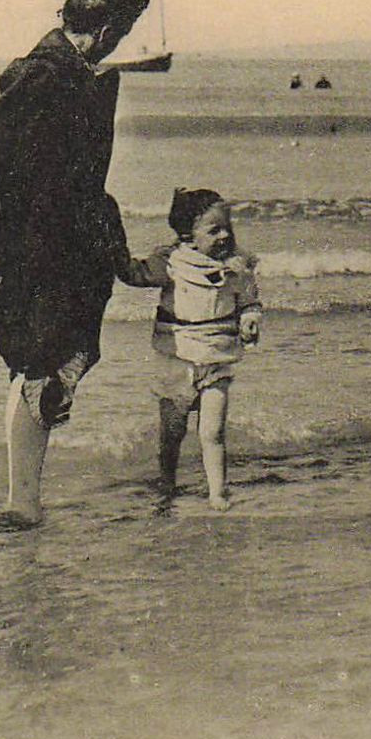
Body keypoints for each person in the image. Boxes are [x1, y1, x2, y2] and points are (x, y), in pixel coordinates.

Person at [0, 0, 151, 524]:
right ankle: (23, 505)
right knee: (44, 367)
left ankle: (26, 502)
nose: (121, 44)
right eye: (124, 33)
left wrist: (109, 246)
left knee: (58, 364)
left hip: (69, 246)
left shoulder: (73, 73)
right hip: (38, 249)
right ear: (109, 29)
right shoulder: (47, 76)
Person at [118, 189, 262, 511]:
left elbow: (249, 298)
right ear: (188, 236)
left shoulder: (236, 266)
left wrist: (251, 318)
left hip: (217, 360)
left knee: (213, 431)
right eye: (214, 230)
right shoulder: (172, 263)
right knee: (173, 432)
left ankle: (217, 492)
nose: (225, 235)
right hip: (177, 361)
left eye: (228, 228)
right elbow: (135, 274)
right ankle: (167, 481)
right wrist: (112, 252)